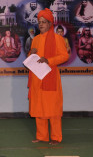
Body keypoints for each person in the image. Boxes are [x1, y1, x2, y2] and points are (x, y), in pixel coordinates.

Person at [27, 8, 69, 145]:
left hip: (50, 77)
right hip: (37, 78)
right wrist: (31, 53)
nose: (41, 25)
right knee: (39, 108)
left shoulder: (57, 38)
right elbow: (31, 59)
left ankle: (56, 137)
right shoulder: (36, 39)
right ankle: (42, 136)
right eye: (39, 22)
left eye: (44, 22)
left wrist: (49, 60)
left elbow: (64, 56)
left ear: (50, 24)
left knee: (53, 109)